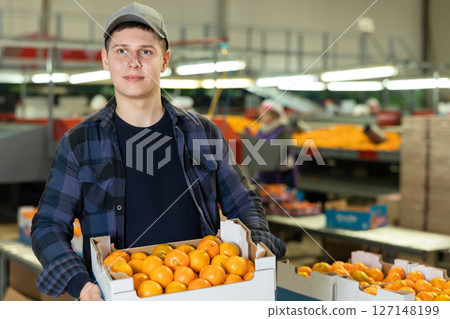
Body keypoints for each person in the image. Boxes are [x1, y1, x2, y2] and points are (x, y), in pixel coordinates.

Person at [31, 2, 286, 301]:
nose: (133, 62)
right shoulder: (79, 143)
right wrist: (80, 283)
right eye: (121, 51)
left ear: (164, 61)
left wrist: (256, 246)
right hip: (122, 294)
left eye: (146, 52)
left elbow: (243, 200)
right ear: (105, 59)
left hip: (205, 289)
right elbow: (47, 225)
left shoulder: (202, 132)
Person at [255, 99, 297, 187]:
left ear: (274, 115)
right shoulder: (262, 130)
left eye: (265, 114)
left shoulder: (283, 130)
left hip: (281, 172)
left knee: (281, 196)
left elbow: (285, 151)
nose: (261, 116)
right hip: (265, 171)